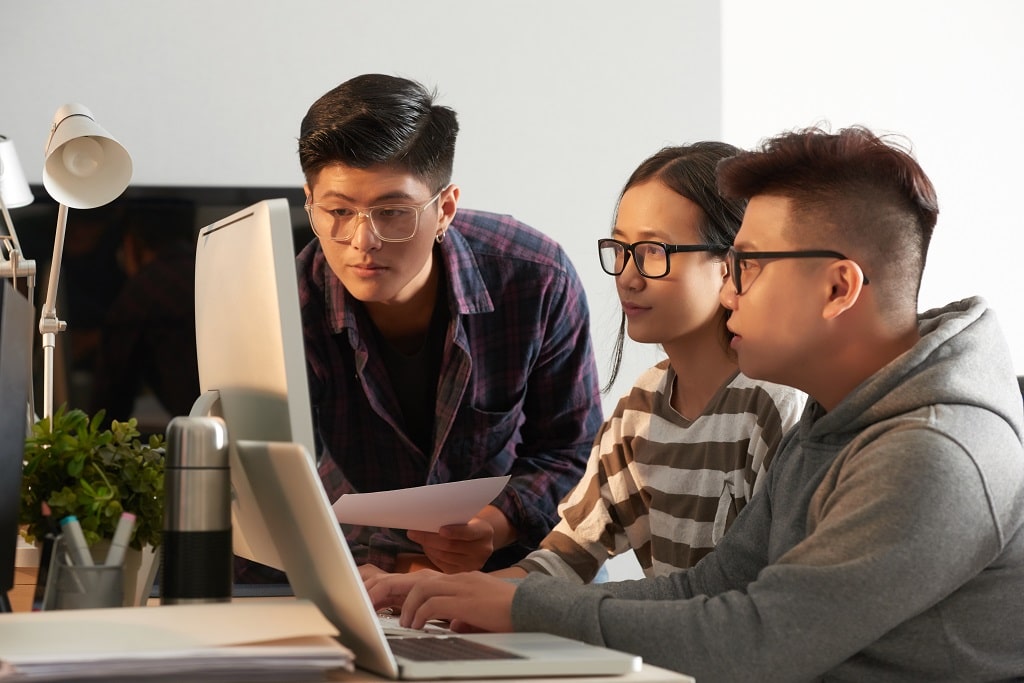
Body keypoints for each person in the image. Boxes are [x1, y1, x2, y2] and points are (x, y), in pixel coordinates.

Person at [365, 126, 1024, 680]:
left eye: (748, 265)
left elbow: (756, 637)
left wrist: (521, 609)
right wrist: (487, 596)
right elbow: (707, 586)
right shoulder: (839, 420)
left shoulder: (932, 451)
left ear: (837, 286)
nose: (730, 292)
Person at [296, 74, 602, 574]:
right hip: (359, 566)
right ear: (310, 200)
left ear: (445, 209)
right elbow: (285, 480)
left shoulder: (534, 276)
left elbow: (574, 450)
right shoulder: (291, 303)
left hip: (509, 559)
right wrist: (405, 566)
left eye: (392, 212)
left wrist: (493, 525)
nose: (361, 240)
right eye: (337, 210)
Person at [492, 143, 805, 583]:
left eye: (654, 251)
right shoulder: (641, 407)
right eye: (620, 249)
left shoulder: (775, 405)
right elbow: (562, 559)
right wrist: (444, 591)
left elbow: (760, 601)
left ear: (730, 261)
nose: (628, 276)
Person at [90, 197, 199, 433]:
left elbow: (108, 405)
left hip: (203, 431)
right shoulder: (211, 269)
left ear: (131, 242)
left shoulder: (142, 293)